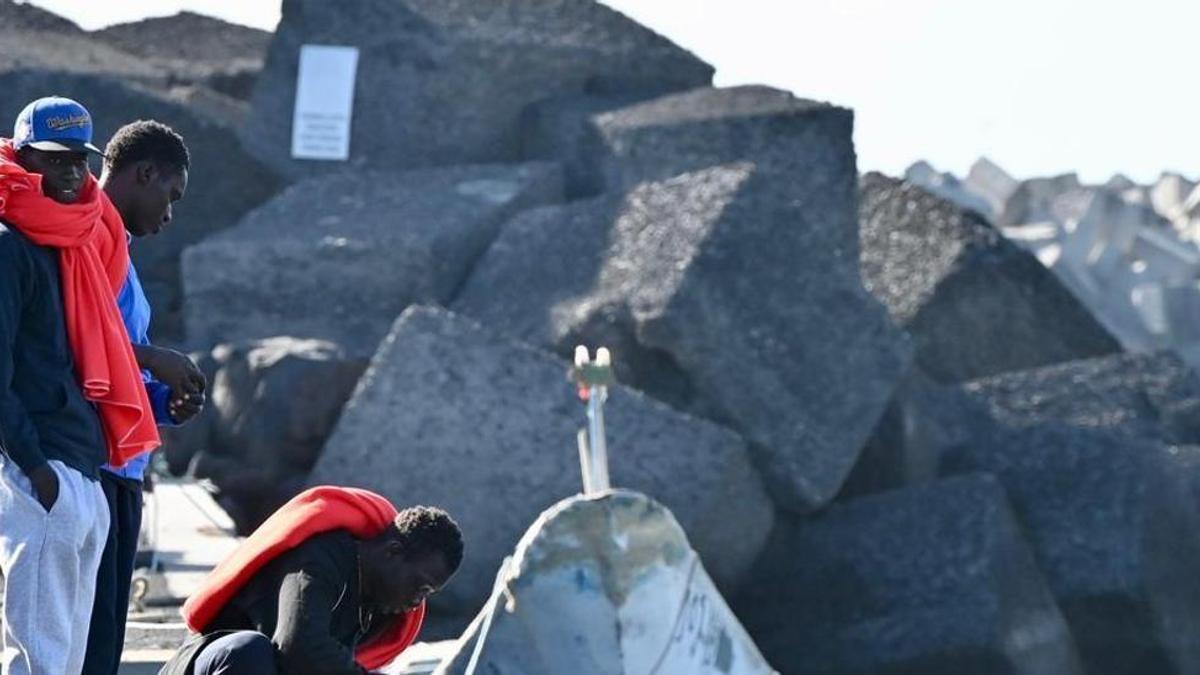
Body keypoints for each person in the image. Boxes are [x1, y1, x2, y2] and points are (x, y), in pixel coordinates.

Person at [0, 96, 160, 674]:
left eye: (79, 161)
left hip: (83, 469)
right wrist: (35, 468)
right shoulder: (8, 245)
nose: (71, 173)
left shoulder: (69, 243)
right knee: (40, 660)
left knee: (69, 661)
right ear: (21, 159)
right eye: (54, 160)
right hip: (45, 469)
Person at [82, 119, 208, 675]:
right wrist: (157, 359)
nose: (171, 214)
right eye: (171, 196)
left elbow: (113, 365)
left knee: (104, 641)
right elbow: (73, 340)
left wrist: (162, 401)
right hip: (95, 467)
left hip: (124, 470)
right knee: (84, 641)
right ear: (145, 173)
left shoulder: (120, 254)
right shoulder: (84, 240)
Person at [160, 487, 463, 675]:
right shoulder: (318, 557)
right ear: (394, 552)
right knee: (251, 651)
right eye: (421, 587)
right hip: (216, 664)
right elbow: (297, 645)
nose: (417, 603)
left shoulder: (376, 607)